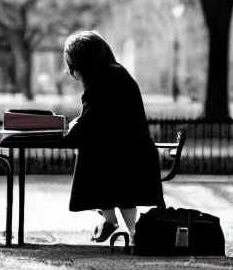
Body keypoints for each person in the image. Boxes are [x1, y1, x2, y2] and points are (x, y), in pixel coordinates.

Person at [62, 30, 165, 243]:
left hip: (128, 150)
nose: (72, 72)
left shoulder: (103, 78)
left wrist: (73, 127)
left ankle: (131, 232)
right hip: (131, 146)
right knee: (95, 158)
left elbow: (93, 116)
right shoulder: (113, 73)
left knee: (98, 166)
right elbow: (98, 115)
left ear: (85, 62)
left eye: (73, 67)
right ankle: (121, 226)